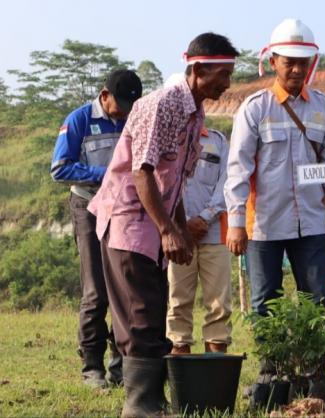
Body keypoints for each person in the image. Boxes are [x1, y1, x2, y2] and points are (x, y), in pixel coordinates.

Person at [88, 33, 237, 417]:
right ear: (199, 70)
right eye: (223, 74)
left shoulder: (196, 112)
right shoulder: (164, 104)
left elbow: (177, 184)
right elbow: (143, 173)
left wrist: (180, 228)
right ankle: (140, 406)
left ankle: (152, 402)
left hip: (154, 224)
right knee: (141, 315)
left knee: (153, 314)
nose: (227, 83)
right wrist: (169, 229)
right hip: (129, 222)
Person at [224, 18, 325, 384]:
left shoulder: (323, 109)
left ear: (312, 64)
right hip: (263, 225)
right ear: (272, 61)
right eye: (288, 61)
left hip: (311, 224)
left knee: (317, 300)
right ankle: (272, 371)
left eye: (302, 63)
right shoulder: (254, 108)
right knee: (266, 302)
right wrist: (234, 221)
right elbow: (238, 169)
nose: (296, 69)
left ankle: (315, 371)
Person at [50, 69, 142, 389]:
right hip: (88, 206)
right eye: (120, 107)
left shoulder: (133, 117)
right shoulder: (78, 120)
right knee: (96, 290)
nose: (125, 114)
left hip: (124, 210)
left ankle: (120, 366)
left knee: (124, 288)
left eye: (131, 107)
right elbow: (60, 168)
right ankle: (92, 367)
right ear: (104, 96)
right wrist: (106, 174)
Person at [166, 125, 232, 354]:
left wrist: (204, 218)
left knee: (219, 304)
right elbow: (161, 183)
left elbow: (227, 182)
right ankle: (181, 373)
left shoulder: (218, 140)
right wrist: (182, 222)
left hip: (214, 234)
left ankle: (214, 368)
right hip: (176, 236)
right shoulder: (166, 138)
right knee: (177, 301)